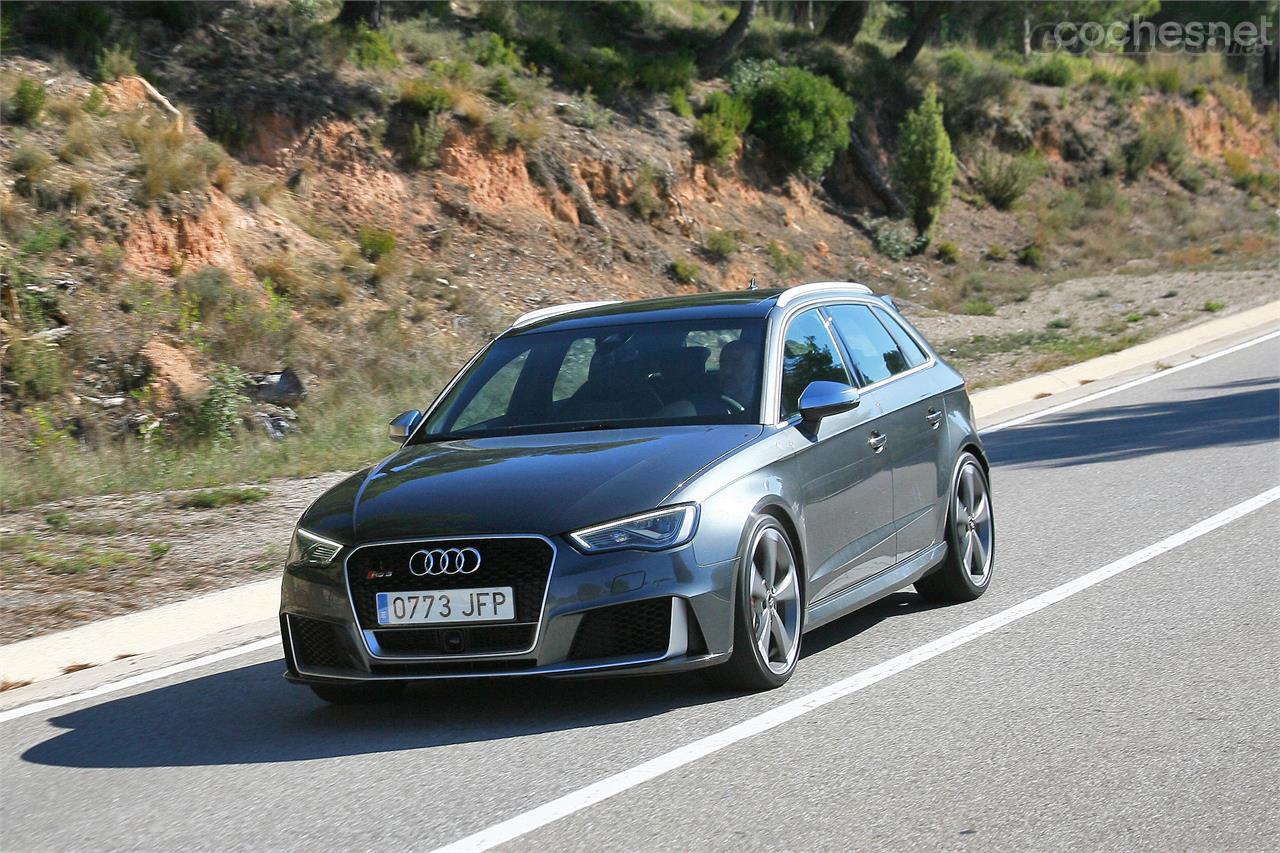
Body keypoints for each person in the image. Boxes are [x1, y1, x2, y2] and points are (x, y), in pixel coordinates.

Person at [718, 338, 757, 411]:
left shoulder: (770, 407)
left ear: (755, 371)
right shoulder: (708, 407)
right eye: (723, 364)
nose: (727, 371)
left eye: (736, 364)